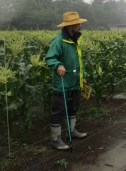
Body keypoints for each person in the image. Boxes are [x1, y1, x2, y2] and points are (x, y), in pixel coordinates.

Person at [45, 12, 88, 150]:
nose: (80, 26)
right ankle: (55, 139)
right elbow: (50, 58)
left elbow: (78, 61)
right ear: (71, 25)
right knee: (58, 112)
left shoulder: (75, 40)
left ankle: (72, 131)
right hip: (62, 83)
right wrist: (58, 65)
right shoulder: (59, 40)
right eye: (78, 23)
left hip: (74, 82)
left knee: (73, 108)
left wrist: (83, 76)